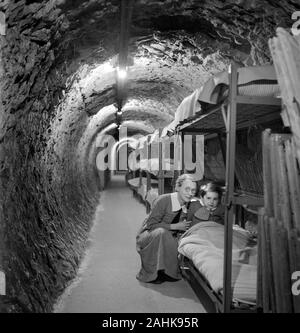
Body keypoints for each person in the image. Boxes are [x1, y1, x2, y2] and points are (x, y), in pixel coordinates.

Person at [136, 174, 197, 284]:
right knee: (161, 233)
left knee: (172, 237)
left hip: (169, 236)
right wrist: (175, 226)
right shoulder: (164, 200)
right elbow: (151, 225)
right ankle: (154, 273)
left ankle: (168, 271)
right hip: (149, 234)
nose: (190, 193)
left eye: (193, 190)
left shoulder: (189, 205)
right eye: (187, 189)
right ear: (177, 187)